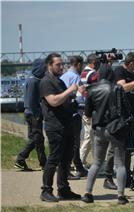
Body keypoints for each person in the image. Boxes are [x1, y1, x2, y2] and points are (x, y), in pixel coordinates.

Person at [81, 63, 130, 205]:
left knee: (96, 162)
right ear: (112, 75)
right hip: (115, 129)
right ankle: (120, 196)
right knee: (120, 164)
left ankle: (88, 193)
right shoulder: (117, 88)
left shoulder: (91, 90)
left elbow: (88, 113)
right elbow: (126, 109)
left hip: (99, 130)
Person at [104, 52, 134, 190]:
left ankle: (127, 179)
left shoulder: (131, 74)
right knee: (114, 148)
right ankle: (108, 178)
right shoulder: (119, 71)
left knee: (129, 148)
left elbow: (130, 92)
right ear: (130, 63)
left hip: (130, 114)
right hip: (119, 116)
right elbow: (122, 88)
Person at [39, 53, 81, 202]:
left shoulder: (59, 81)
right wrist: (70, 90)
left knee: (66, 159)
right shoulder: (46, 82)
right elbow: (54, 101)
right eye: (58, 64)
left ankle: (63, 189)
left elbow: (65, 101)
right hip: (55, 126)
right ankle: (46, 190)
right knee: (54, 158)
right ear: (49, 65)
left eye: (62, 64)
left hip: (67, 124)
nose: (61, 67)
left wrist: (74, 101)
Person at [15, 59, 47, 171]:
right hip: (33, 114)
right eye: (44, 68)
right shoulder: (33, 82)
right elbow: (31, 101)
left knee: (37, 139)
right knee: (36, 138)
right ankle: (20, 158)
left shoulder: (34, 80)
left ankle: (44, 163)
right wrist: (37, 114)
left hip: (31, 113)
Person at [60, 55, 88, 179]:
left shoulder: (63, 76)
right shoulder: (76, 77)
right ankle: (72, 168)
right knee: (75, 142)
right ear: (78, 64)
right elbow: (80, 98)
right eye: (81, 65)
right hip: (75, 113)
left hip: (65, 112)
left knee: (70, 141)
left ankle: (78, 166)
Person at [79, 54, 100, 169]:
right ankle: (79, 160)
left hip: (87, 109)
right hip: (91, 110)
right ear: (92, 63)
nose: (99, 65)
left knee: (89, 136)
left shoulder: (84, 73)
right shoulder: (91, 74)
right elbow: (100, 79)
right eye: (97, 63)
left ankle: (80, 161)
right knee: (89, 137)